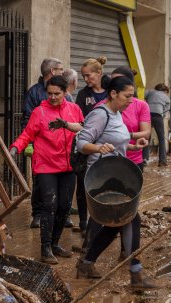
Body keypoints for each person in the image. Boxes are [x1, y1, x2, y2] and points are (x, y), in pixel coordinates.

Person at [74, 76, 157, 291]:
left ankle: (87, 263)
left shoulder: (117, 114)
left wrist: (133, 145)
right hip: (101, 178)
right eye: (127, 96)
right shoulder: (100, 114)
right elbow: (81, 143)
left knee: (115, 224)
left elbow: (116, 142)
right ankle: (136, 274)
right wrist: (97, 148)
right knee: (129, 219)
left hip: (116, 175)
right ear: (113, 94)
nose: (131, 100)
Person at [9, 75, 83, 264]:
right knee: (49, 205)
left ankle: (55, 244)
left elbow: (84, 130)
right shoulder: (39, 112)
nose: (52, 97)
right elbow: (27, 134)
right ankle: (45, 248)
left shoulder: (74, 109)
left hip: (68, 165)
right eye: (49, 93)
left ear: (65, 92)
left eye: (57, 93)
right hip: (45, 165)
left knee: (64, 206)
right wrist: (15, 148)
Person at [23, 58, 65, 229]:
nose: (53, 97)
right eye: (61, 69)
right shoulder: (34, 92)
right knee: (39, 182)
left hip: (60, 149)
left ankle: (62, 214)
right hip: (40, 147)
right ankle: (38, 214)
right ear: (53, 71)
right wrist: (29, 143)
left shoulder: (65, 93)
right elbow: (27, 119)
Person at [72, 57, 110, 236]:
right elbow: (79, 119)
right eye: (83, 76)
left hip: (108, 145)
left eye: (89, 75)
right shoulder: (83, 95)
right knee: (83, 184)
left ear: (99, 73)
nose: (86, 79)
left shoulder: (111, 90)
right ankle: (83, 221)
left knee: (104, 183)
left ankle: (102, 220)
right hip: (87, 145)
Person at [144, 83, 171, 166]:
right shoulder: (166, 97)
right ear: (164, 90)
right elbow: (166, 110)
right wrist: (162, 115)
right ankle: (162, 161)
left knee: (146, 137)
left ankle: (144, 159)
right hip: (158, 116)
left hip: (147, 114)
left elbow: (142, 96)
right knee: (161, 138)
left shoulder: (149, 92)